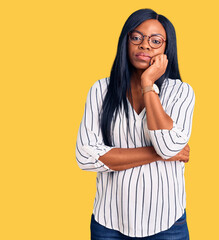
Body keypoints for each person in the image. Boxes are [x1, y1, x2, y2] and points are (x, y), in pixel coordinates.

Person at [75, 8, 195, 240]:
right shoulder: (101, 90)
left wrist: (148, 83)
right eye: (136, 37)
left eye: (155, 41)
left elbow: (169, 146)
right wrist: (158, 154)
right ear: (126, 41)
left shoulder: (181, 92)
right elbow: (86, 156)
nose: (145, 46)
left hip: (168, 223)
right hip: (110, 223)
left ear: (166, 48)